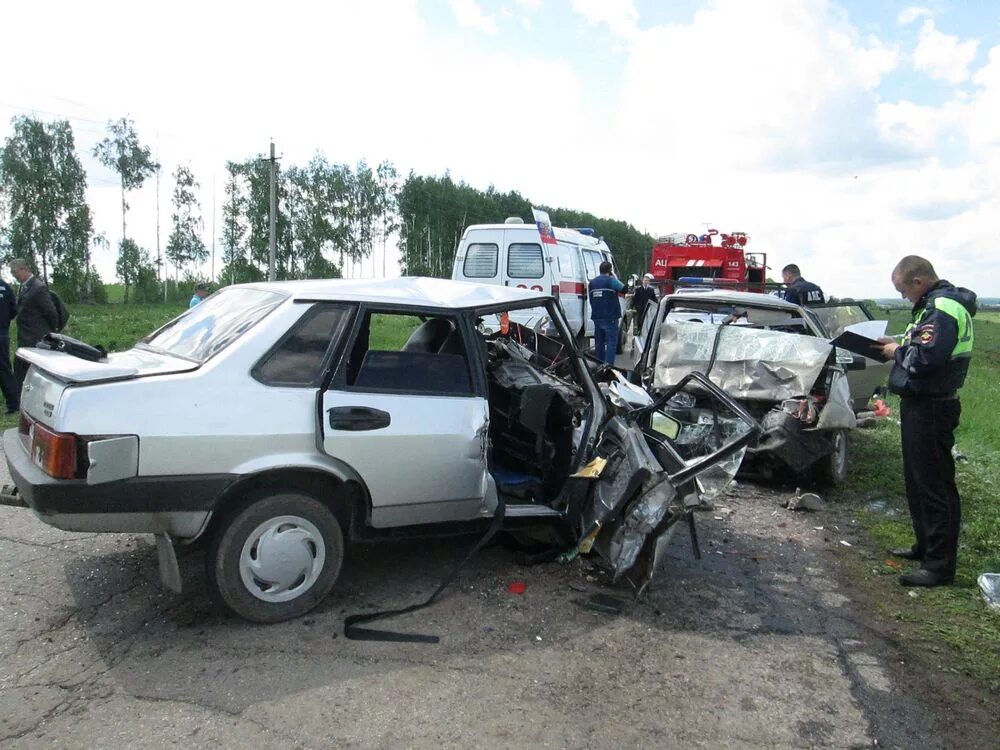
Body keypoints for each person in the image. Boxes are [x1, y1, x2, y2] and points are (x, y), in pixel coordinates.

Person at [877, 255, 976, 588]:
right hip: (920, 404)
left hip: (933, 407)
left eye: (904, 291)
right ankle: (925, 546)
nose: (905, 298)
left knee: (935, 486)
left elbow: (926, 360)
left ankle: (939, 565)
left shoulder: (943, 308)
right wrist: (897, 344)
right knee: (917, 482)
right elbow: (919, 346)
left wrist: (895, 352)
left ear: (918, 281)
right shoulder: (931, 307)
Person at [9, 259, 59, 391]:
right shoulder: (23, 286)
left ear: (24, 269)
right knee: (21, 370)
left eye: (15, 272)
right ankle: (24, 397)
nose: (13, 275)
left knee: (32, 371)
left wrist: (49, 332)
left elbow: (51, 313)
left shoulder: (38, 287)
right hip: (25, 338)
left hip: (36, 338)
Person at [588, 261, 624, 366]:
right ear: (610, 270)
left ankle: (599, 365)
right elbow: (624, 289)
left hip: (597, 316)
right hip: (610, 316)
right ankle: (608, 367)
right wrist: (614, 277)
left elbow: (591, 298)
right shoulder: (611, 281)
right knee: (611, 342)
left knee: (599, 343)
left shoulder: (592, 283)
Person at [0, 271, 20, 413]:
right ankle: (13, 404)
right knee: (5, 369)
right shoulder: (6, 287)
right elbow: (14, 310)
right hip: (2, 334)